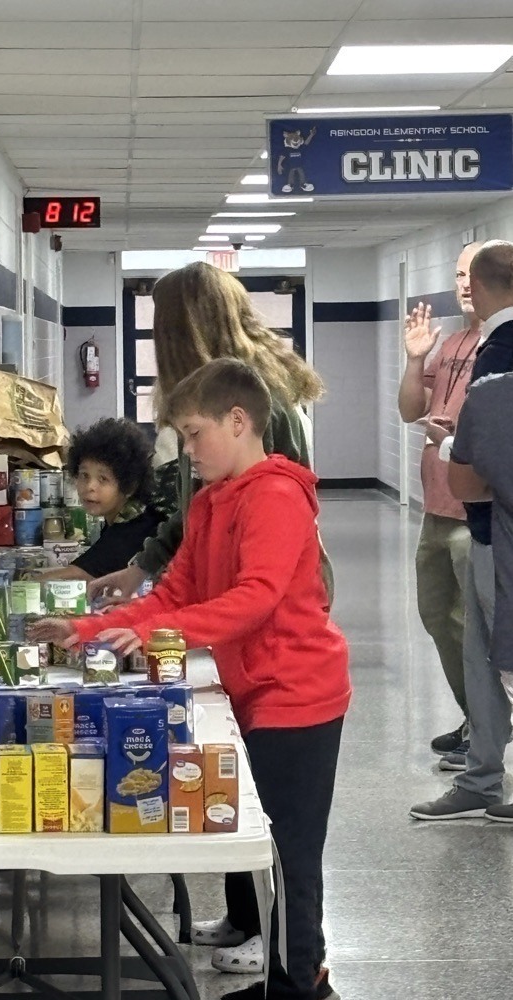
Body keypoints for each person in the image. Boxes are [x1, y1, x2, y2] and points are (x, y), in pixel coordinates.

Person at [32, 359, 351, 1000]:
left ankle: (303, 987)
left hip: (298, 693)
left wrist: (156, 634)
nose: (187, 449)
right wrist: (88, 631)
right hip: (253, 690)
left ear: (239, 422)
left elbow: (255, 597)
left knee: (288, 853)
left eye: (195, 432)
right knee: (268, 852)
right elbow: (171, 592)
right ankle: (286, 981)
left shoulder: (275, 495)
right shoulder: (210, 502)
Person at [85, 262, 330, 981]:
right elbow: (195, 544)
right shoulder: (208, 465)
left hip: (283, 641)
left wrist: (170, 626)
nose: (188, 451)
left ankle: (297, 966)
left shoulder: (261, 437)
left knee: (285, 828)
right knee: (254, 799)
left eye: (194, 437)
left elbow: (268, 561)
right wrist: (113, 611)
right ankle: (258, 922)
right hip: (237, 635)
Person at [87, 261, 327, 606]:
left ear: (181, 331)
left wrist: (174, 607)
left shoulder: (259, 404)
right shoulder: (210, 405)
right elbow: (199, 509)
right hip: (239, 592)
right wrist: (141, 569)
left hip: (275, 600)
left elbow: (270, 533)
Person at [411, 240, 513, 821]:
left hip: (498, 535)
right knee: (480, 657)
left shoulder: (500, 350)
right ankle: (480, 780)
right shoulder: (488, 346)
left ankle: (482, 780)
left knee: (502, 661)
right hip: (488, 533)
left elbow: (477, 475)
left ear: (477, 284)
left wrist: (445, 442)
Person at [397, 243, 482, 760]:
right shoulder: (451, 342)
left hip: (478, 510)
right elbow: (411, 410)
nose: (465, 283)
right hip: (436, 506)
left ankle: (489, 733)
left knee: (478, 627)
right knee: (437, 616)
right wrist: (415, 359)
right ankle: (479, 719)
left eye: (475, 273)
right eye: (458, 274)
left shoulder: (502, 344)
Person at [36, 418, 162, 583]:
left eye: (103, 479)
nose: (90, 486)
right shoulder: (119, 518)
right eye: (84, 475)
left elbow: (80, 574)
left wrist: (22, 581)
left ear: (129, 486)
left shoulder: (135, 528)